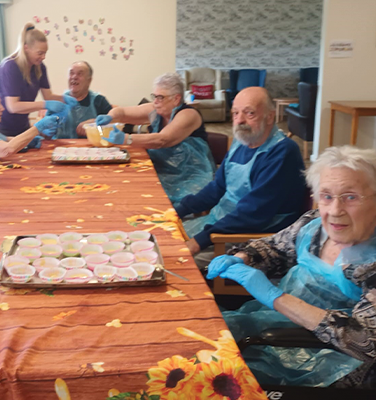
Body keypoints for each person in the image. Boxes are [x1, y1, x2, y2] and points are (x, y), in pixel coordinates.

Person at [207, 146, 376, 388]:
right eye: (326, 196)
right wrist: (243, 258)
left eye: (351, 197)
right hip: (274, 327)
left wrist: (276, 298)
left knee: (209, 375)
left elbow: (366, 342)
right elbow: (274, 247)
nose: (335, 210)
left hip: (333, 364)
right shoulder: (313, 224)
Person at [176, 87, 306, 268]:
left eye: (249, 113)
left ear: (270, 116)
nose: (240, 120)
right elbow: (217, 188)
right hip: (223, 223)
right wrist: (178, 210)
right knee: (164, 237)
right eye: (235, 113)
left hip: (253, 237)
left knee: (176, 260)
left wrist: (200, 240)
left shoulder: (282, 152)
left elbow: (253, 214)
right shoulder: (242, 141)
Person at [95, 72, 215, 205]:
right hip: (161, 167)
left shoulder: (189, 114)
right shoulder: (156, 109)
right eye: (154, 96)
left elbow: (162, 140)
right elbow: (122, 112)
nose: (155, 102)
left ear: (176, 99)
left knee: (157, 200)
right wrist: (111, 116)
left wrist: (127, 139)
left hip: (190, 174)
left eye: (160, 97)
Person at [0, 22, 77, 137]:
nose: (43, 57)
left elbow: (48, 96)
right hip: (1, 129)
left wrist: (65, 99)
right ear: (26, 48)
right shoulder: (10, 67)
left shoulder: (39, 68)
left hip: (22, 126)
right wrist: (45, 104)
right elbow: (13, 106)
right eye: (40, 53)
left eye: (45, 53)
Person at [55, 61, 113, 139]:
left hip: (91, 146)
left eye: (80, 74)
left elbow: (113, 126)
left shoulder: (99, 101)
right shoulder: (58, 101)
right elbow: (46, 133)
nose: (74, 77)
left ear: (89, 80)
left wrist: (94, 124)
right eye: (71, 73)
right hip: (62, 146)